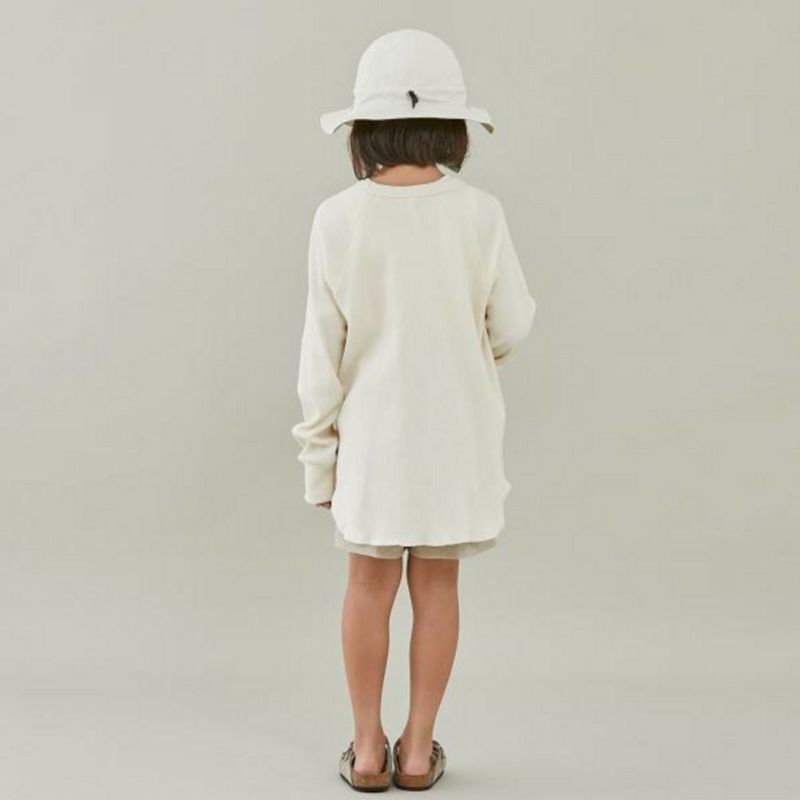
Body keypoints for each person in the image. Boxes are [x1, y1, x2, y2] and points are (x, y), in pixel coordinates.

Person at [291, 28, 536, 792]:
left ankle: (367, 751)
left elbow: (320, 356)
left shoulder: (338, 218)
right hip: (456, 436)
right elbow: (513, 324)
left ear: (362, 129)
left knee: (367, 587)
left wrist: (318, 460)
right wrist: (463, 350)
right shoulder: (480, 215)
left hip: (372, 441)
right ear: (452, 126)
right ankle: (420, 749)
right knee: (438, 588)